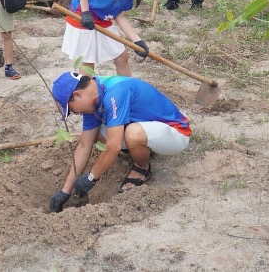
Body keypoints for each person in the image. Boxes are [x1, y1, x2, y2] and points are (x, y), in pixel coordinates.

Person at [48, 71, 192, 213]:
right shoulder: (94, 96)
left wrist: (90, 178)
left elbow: (113, 146)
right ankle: (139, 149)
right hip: (150, 128)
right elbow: (85, 144)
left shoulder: (115, 93)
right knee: (94, 133)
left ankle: (142, 167)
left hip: (176, 133)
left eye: (71, 109)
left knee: (133, 134)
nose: (76, 113)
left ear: (77, 95)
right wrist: (65, 190)